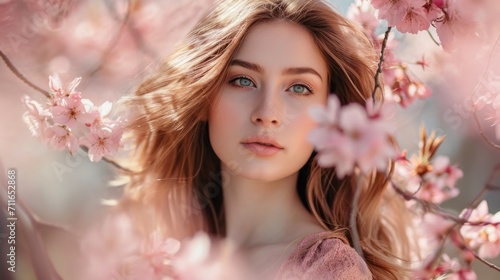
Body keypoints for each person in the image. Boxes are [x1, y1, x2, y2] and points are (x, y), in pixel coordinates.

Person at [118, 0, 413, 279]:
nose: (268, 114)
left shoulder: (326, 270)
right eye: (243, 80)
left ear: (331, 115)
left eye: (299, 88)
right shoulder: (158, 252)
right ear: (204, 96)